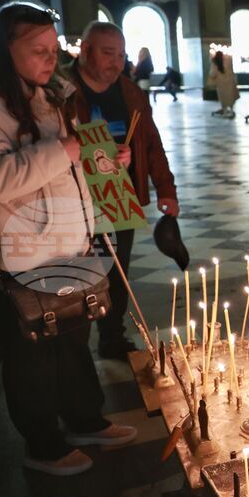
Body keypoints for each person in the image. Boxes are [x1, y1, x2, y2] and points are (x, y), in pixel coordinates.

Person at [0, 4, 137, 476]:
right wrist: (65, 149)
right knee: (30, 348)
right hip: (8, 255)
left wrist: (102, 161)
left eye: (54, 49)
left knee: (73, 337)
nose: (51, 59)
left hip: (57, 244)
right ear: (4, 50)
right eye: (38, 51)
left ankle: (84, 419)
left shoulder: (43, 94)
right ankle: (43, 444)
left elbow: (63, 166)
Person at [69, 21, 179, 360]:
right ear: (85, 51)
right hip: (76, 198)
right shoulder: (61, 90)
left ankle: (111, 336)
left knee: (117, 269)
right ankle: (72, 346)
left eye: (121, 54)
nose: (116, 63)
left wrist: (166, 188)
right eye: (107, 53)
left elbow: (152, 144)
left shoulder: (131, 92)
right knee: (80, 271)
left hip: (120, 194)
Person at [210, 50, 239, 118]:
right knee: (231, 97)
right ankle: (231, 110)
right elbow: (232, 71)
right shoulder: (228, 61)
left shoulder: (215, 63)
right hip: (230, 82)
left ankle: (225, 111)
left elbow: (212, 74)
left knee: (223, 98)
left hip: (221, 84)